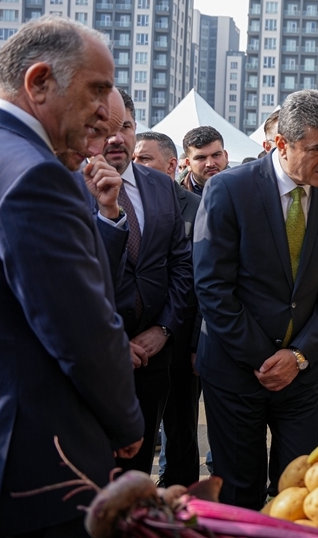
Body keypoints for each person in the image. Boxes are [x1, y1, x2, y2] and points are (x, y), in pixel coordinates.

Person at [0, 16, 143, 538]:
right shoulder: (32, 174)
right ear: (38, 83)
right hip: (33, 461)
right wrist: (126, 422)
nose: (107, 111)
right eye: (97, 90)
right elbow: (82, 329)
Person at [193, 90, 318, 509]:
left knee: (303, 489)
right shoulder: (229, 190)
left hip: (303, 374)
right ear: (282, 143)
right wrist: (265, 358)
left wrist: (297, 357)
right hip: (235, 370)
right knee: (238, 490)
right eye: (317, 149)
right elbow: (213, 287)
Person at [89, 91, 194, 476]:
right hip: (94, 355)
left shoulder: (161, 185)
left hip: (154, 355)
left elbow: (181, 264)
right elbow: (69, 281)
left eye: (126, 128)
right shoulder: (67, 185)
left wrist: (164, 329)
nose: (116, 138)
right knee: (94, 467)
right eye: (107, 130)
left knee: (140, 461)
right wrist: (113, 342)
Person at [134, 130, 203, 488]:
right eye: (135, 158)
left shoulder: (196, 207)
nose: (136, 164)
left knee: (181, 428)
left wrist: (185, 340)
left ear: (172, 164)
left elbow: (196, 278)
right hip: (137, 343)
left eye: (145, 159)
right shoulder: (125, 200)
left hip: (180, 338)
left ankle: (180, 497)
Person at [180, 126, 229, 196]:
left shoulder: (246, 191)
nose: (210, 164)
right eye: (201, 158)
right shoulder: (172, 198)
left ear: (226, 156)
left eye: (216, 155)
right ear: (188, 164)